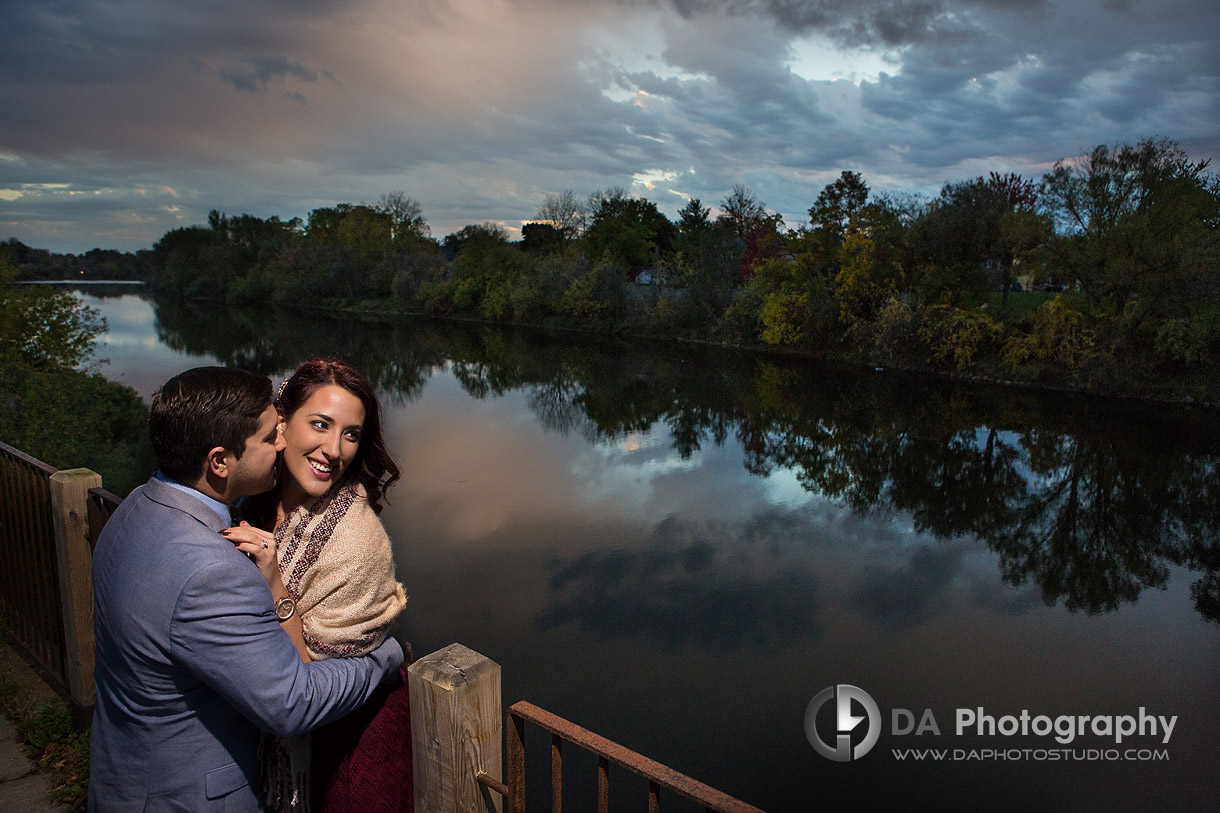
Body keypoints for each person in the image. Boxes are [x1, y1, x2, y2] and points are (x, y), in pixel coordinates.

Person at [89, 366, 404, 812]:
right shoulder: (210, 570)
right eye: (268, 435)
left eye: (350, 433)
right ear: (219, 461)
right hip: (188, 797)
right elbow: (292, 703)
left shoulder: (135, 508)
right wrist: (382, 660)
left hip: (122, 777)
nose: (279, 443)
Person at [225, 358, 411, 812]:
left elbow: (305, 681)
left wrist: (273, 581)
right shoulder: (253, 498)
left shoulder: (357, 544)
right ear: (282, 425)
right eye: (321, 424)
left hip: (338, 747)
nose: (335, 449)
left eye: (350, 434)